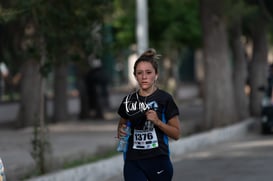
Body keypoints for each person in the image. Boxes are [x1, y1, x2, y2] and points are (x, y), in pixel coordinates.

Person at [116, 48, 181, 181]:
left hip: (158, 160)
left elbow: (176, 134)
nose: (144, 77)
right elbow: (122, 124)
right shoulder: (129, 100)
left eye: (148, 72)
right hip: (133, 162)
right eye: (139, 73)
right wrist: (121, 131)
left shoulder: (165, 99)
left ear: (156, 75)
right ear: (135, 76)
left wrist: (158, 122)